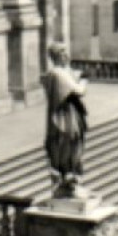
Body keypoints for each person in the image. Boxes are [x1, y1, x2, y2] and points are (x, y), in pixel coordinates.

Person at [43, 43, 88, 198]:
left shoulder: (59, 72)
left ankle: (69, 176)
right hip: (65, 119)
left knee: (72, 145)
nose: (68, 56)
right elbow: (78, 90)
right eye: (65, 53)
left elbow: (70, 76)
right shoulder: (57, 74)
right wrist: (83, 81)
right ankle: (67, 177)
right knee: (69, 145)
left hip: (69, 115)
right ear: (58, 56)